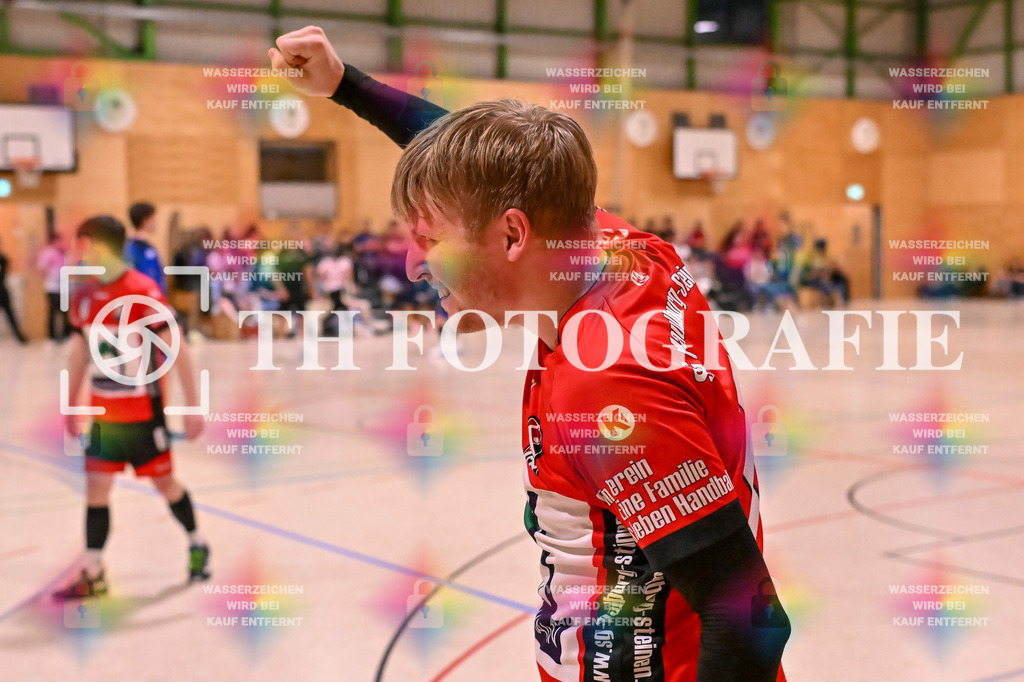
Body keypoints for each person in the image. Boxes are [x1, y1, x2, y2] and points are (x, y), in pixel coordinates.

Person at [270, 27, 789, 681]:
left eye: (429, 238)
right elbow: (482, 166)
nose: (414, 262)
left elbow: (748, 619)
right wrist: (346, 85)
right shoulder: (616, 248)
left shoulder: (608, 380)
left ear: (513, 234)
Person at [53, 215, 210, 599]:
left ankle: (197, 542)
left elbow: (178, 348)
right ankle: (94, 570)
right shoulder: (85, 295)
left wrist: (193, 406)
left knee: (165, 484)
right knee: (96, 488)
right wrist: (71, 404)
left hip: (144, 415)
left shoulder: (142, 291)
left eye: (83, 246)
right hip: (105, 416)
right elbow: (80, 352)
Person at [124, 202, 168, 295]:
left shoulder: (147, 247)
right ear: (146, 220)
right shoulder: (136, 248)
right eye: (153, 219)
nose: (156, 222)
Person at [37, 233, 70, 342]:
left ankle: (65, 334)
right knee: (52, 312)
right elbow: (41, 268)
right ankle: (51, 336)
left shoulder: (64, 252)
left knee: (65, 312)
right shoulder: (48, 253)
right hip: (52, 287)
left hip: (65, 287)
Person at [0, 236, 28, 344]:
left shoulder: (3, 259)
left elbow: (7, 271)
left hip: (2, 291)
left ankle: (20, 338)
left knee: (11, 314)